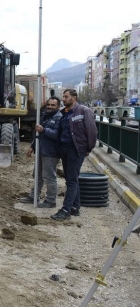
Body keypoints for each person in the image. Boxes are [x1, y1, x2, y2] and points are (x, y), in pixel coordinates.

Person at [51, 89, 97, 221]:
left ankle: (66, 210)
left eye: (66, 97)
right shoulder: (63, 113)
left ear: (74, 98)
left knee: (71, 180)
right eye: (63, 97)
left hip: (76, 149)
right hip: (65, 149)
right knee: (72, 179)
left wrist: (89, 148)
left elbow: (92, 131)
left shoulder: (83, 111)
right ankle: (75, 207)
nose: (63, 99)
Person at [19, 96, 63, 208]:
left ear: (58, 106)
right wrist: (33, 146)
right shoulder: (44, 116)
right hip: (41, 150)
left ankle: (51, 200)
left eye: (53, 105)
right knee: (37, 174)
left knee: (49, 177)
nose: (50, 107)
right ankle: (34, 196)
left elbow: (57, 135)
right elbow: (38, 135)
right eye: (48, 105)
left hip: (51, 152)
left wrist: (44, 130)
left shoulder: (59, 118)